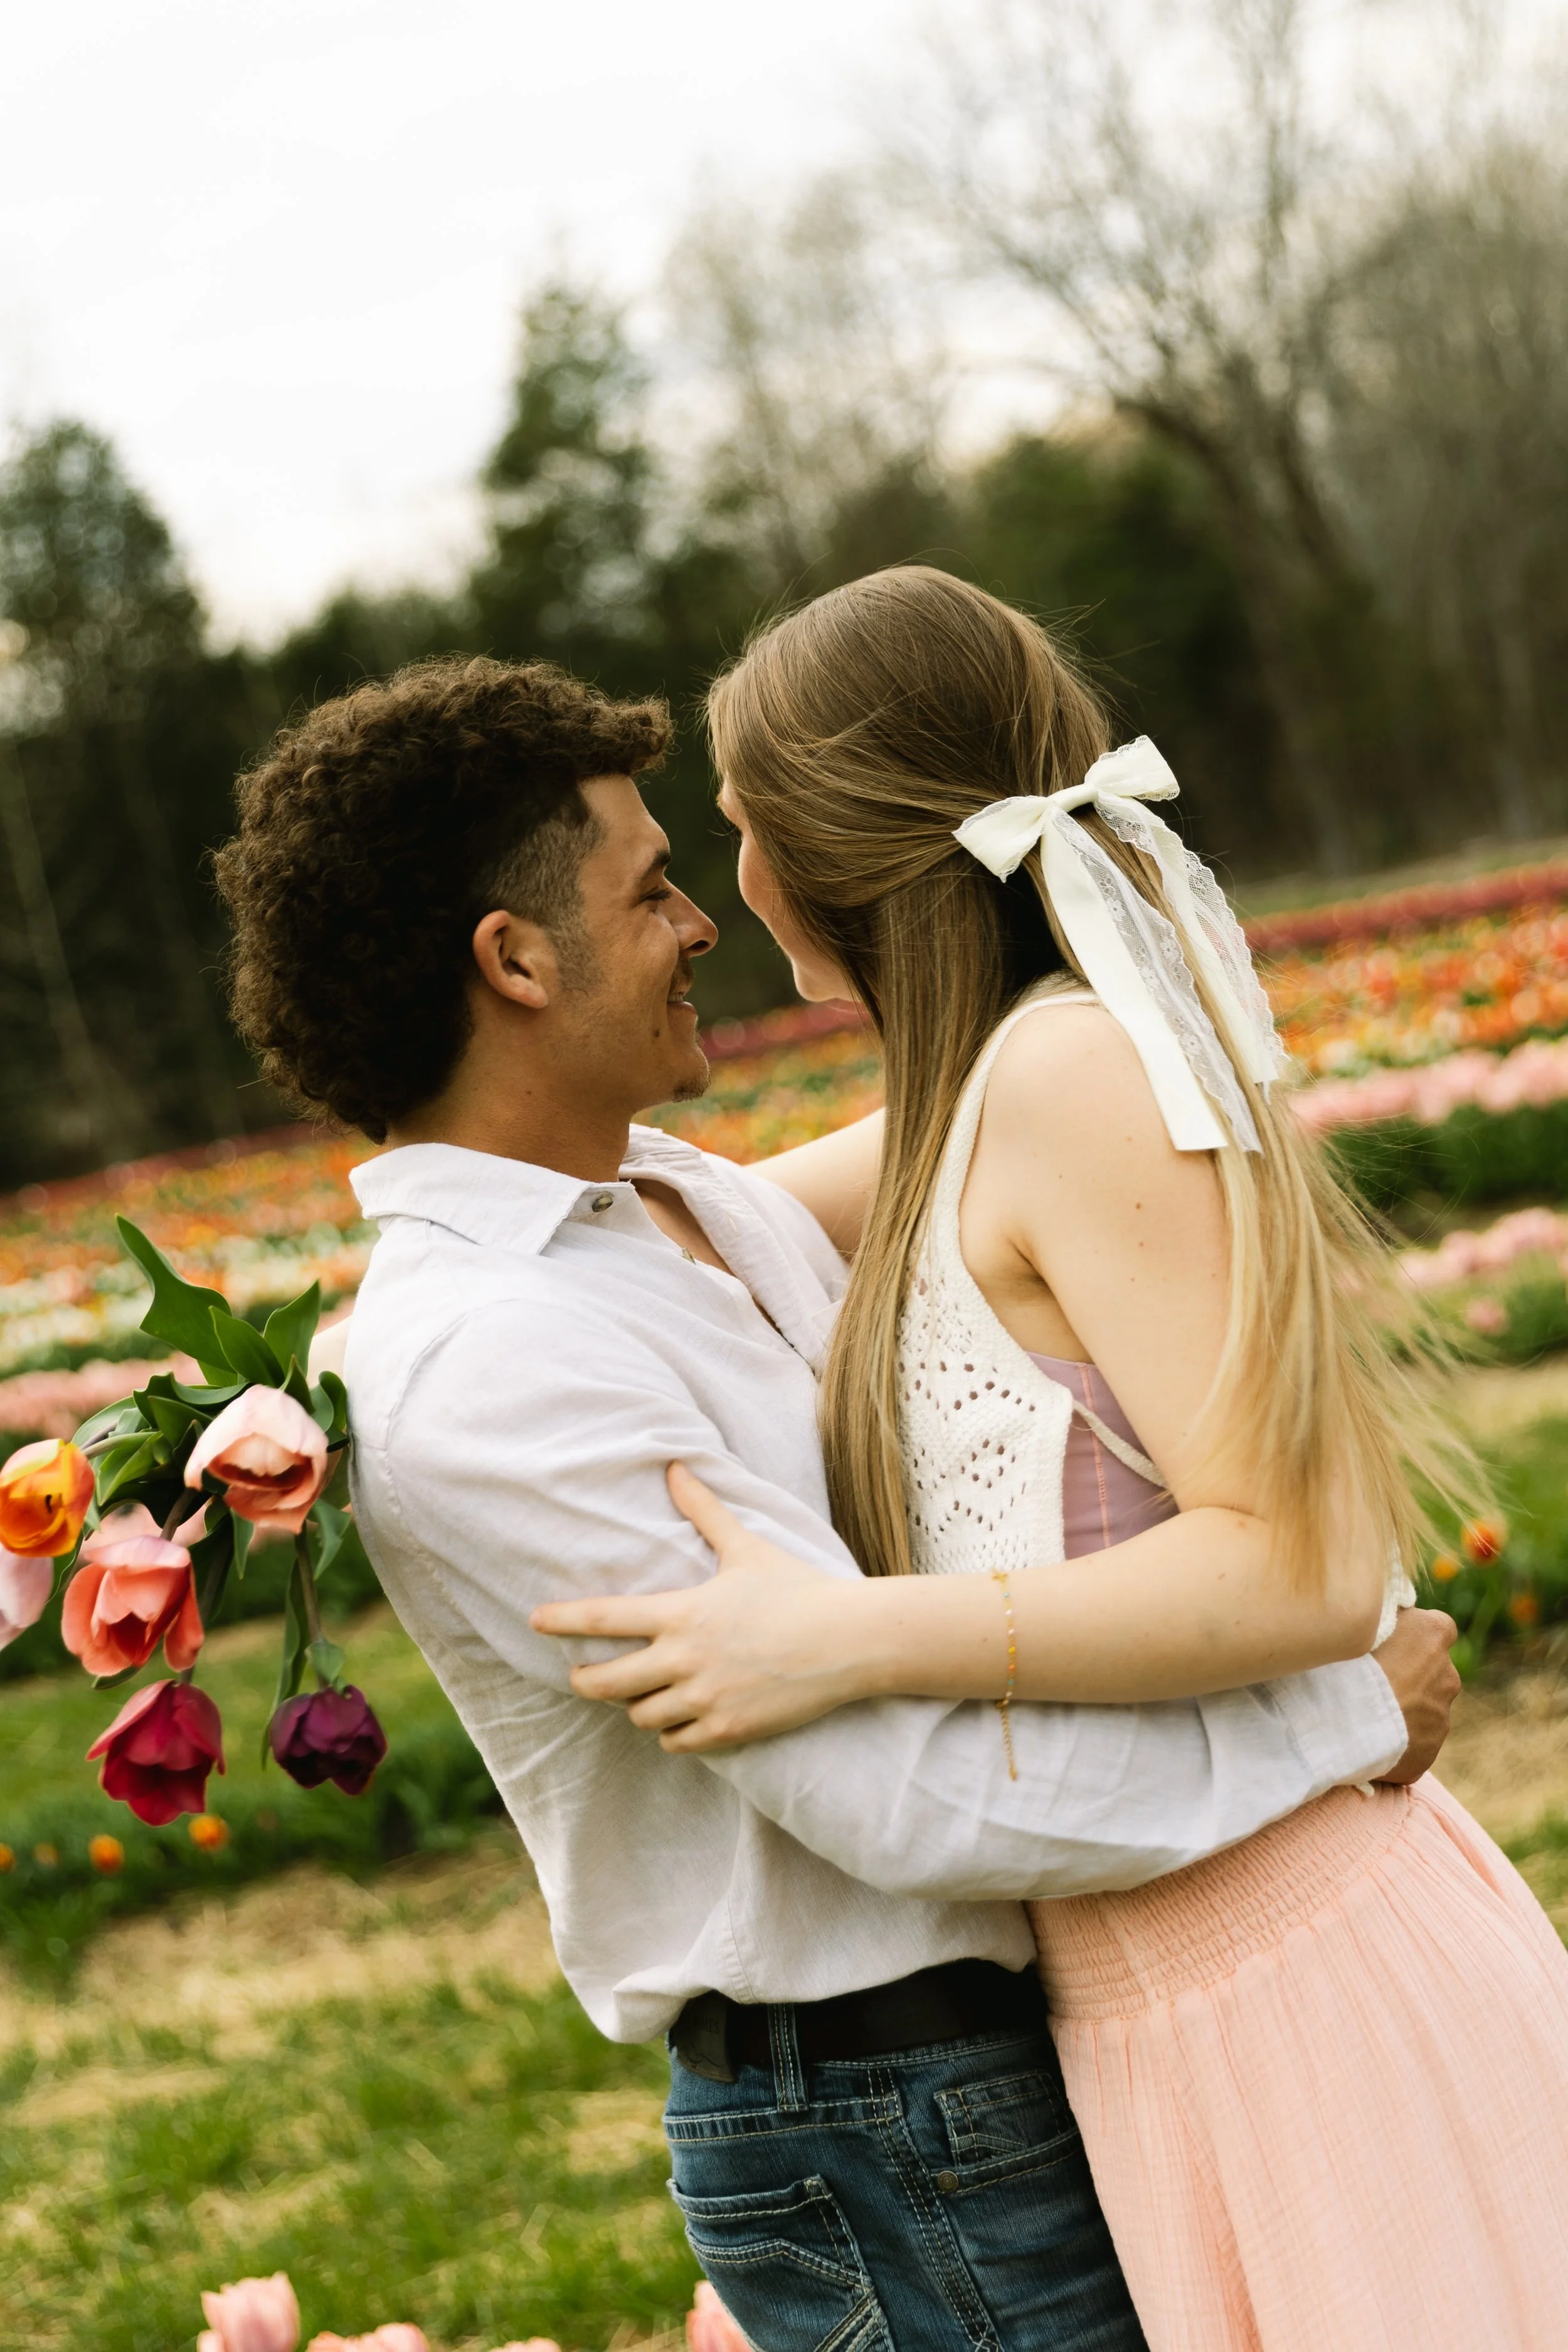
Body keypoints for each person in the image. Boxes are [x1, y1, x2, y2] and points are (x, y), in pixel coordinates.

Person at [215, 652, 1456, 2352]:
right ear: (511, 959)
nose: (702, 923)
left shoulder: (669, 1205)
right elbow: (898, 1793)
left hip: (967, 2063)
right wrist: (1329, 1722)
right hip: (877, 2108)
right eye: (651, 887)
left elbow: (989, 1106)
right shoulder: (499, 1361)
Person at [536, 570, 1568, 2352]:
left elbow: (1300, 1562)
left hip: (1300, 1979)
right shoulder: (953, 1111)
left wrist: (848, 1638)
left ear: (822, 841)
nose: (725, 891)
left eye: (734, 830)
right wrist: (270, 1425)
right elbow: (625, 1271)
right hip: (1147, 2013)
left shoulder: (1067, 1076)